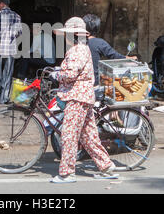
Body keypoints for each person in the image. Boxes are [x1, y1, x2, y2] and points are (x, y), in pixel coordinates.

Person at [50, 17, 118, 183]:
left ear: (73, 35)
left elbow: (71, 75)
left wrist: (56, 74)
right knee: (88, 136)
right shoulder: (82, 48)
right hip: (83, 96)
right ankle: (106, 167)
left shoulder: (77, 50)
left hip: (76, 96)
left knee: (69, 135)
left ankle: (67, 173)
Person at [83, 14, 137, 85]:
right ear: (98, 28)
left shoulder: (77, 43)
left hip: (80, 83)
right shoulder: (99, 43)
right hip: (93, 82)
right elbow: (114, 56)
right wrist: (129, 58)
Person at [0, 0, 22, 104]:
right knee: (7, 74)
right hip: (10, 50)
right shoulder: (17, 16)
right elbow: (19, 33)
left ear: (2, 4)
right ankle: (4, 98)